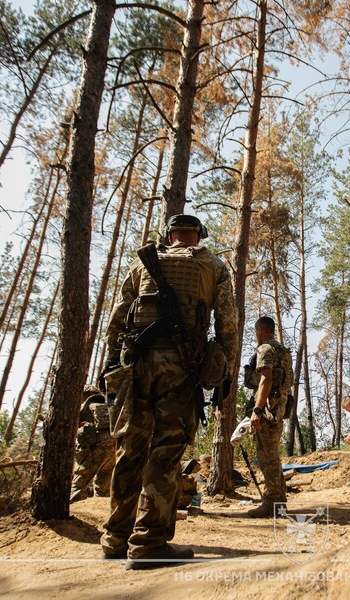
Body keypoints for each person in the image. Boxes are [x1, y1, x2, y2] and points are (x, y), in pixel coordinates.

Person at [100, 214, 238, 569]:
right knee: (165, 453)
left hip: (135, 367)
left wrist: (110, 365)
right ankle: (147, 544)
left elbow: (116, 319)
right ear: (197, 236)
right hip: (180, 367)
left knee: (130, 450)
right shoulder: (212, 265)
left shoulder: (140, 264)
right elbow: (228, 324)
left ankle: (115, 538)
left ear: (170, 235)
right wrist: (225, 374)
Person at [243, 316, 293, 518]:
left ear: (261, 331)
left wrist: (257, 409)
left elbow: (266, 379)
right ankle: (279, 503)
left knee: (266, 456)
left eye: (257, 332)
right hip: (280, 407)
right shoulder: (284, 352)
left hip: (268, 409)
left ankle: (272, 502)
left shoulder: (265, 349)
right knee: (272, 454)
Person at [70, 385, 115, 503]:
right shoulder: (108, 406)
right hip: (116, 446)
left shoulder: (83, 407)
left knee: (79, 483)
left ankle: (70, 508)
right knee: (103, 483)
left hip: (96, 447)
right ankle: (100, 510)